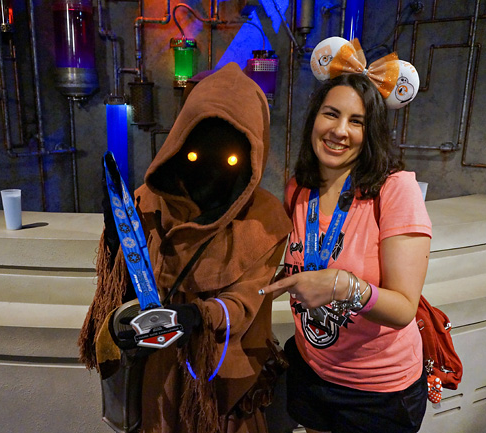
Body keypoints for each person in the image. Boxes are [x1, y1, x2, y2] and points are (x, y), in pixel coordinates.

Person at [78, 62, 292, 433]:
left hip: (223, 385)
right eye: (193, 155)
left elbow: (247, 301)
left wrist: (199, 316)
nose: (209, 170)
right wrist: (116, 242)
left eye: (230, 160)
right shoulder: (149, 201)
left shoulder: (265, 220)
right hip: (158, 379)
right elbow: (131, 292)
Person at [259, 37, 432, 433]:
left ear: (370, 132)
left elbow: (404, 307)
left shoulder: (394, 190)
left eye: (356, 122)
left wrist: (339, 286)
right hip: (312, 370)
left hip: (378, 391)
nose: (339, 130)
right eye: (331, 114)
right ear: (314, 118)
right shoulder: (299, 188)